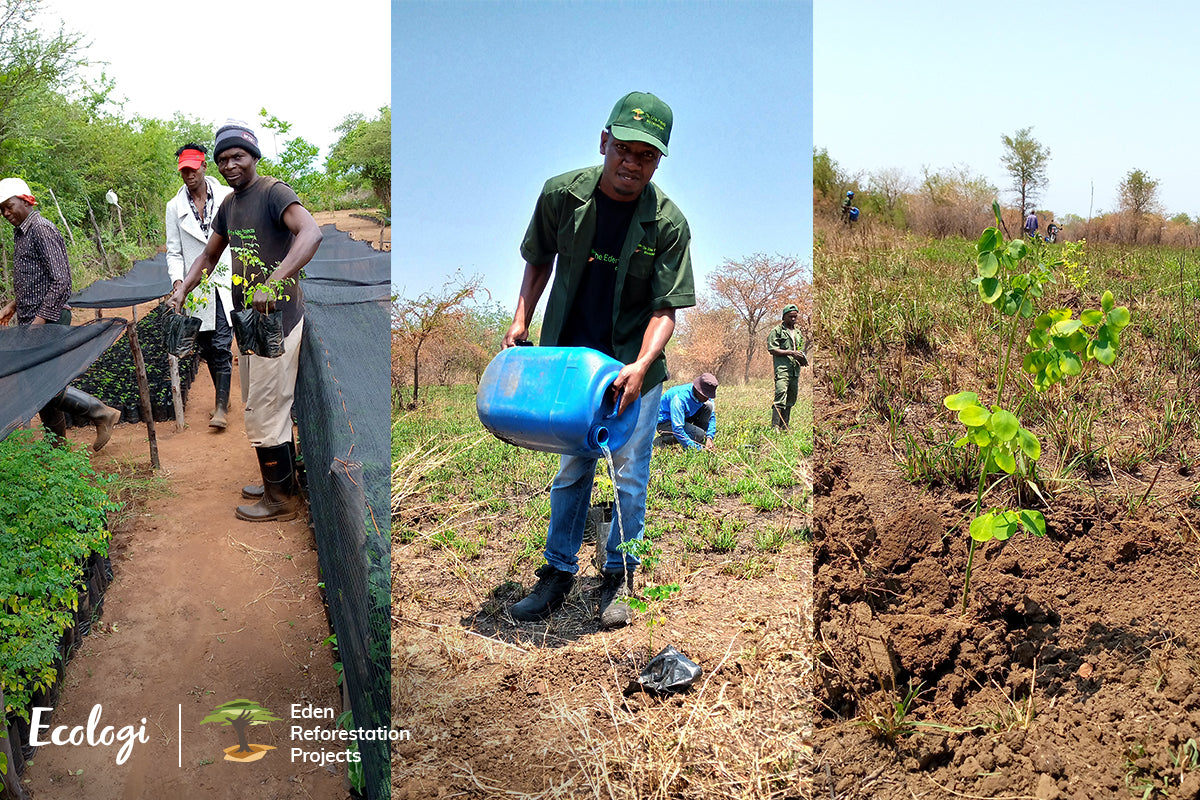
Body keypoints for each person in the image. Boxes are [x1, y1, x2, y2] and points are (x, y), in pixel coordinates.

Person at [502, 91, 695, 628]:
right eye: (625, 149)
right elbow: (539, 259)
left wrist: (639, 366)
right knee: (573, 467)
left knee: (630, 473)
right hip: (572, 363)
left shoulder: (669, 224)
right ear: (604, 141)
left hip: (634, 366)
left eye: (647, 155)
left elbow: (666, 309)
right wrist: (522, 319)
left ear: (658, 161)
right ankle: (557, 573)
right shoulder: (562, 195)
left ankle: (620, 575)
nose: (633, 163)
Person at [168, 121, 323, 522]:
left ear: (253, 157)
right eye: (222, 160)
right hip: (250, 323)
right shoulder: (231, 205)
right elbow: (207, 256)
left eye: (237, 156)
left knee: (267, 409)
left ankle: (281, 502)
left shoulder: (273, 192)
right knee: (259, 404)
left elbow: (310, 233)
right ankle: (279, 484)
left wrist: (275, 280)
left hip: (278, 321)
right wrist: (184, 287)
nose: (230, 165)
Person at [0, 177, 122, 450]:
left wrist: (40, 320)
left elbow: (61, 281)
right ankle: (57, 449)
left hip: (50, 318)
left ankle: (101, 413)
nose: (6, 214)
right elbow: (34, 279)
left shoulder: (41, 229)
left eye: (9, 206)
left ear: (26, 200)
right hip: (33, 318)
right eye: (2, 210)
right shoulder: (21, 233)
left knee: (44, 382)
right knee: (38, 385)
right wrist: (13, 305)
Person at [165, 143, 235, 429]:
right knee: (205, 348)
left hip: (224, 280)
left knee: (221, 344)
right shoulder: (174, 207)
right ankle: (223, 394)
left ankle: (220, 408)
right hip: (194, 286)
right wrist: (179, 282)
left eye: (194, 169)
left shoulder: (227, 196)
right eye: (184, 170)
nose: (189, 175)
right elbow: (174, 251)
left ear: (204, 167)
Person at [768, 304, 807, 430]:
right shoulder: (777, 331)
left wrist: (801, 358)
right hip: (782, 369)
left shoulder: (798, 332)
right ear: (784, 317)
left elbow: (799, 349)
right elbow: (772, 349)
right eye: (791, 317)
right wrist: (790, 352)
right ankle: (775, 427)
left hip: (795, 370)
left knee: (791, 397)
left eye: (795, 317)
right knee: (780, 394)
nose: (793, 319)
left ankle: (785, 427)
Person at [656, 373, 717, 450]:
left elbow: (712, 416)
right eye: (705, 396)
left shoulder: (705, 395)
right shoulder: (679, 399)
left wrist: (709, 437)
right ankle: (661, 441)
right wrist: (696, 448)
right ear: (698, 391)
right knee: (699, 435)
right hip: (666, 422)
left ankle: (696, 437)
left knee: (708, 406)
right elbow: (677, 428)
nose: (708, 398)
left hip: (684, 416)